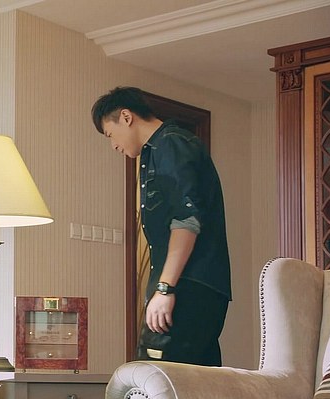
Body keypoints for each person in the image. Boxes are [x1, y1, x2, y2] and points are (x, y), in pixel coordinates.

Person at [91, 86, 232, 366]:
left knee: (155, 376)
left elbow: (187, 220)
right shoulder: (158, 150)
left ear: (126, 117)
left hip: (187, 286)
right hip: (197, 286)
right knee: (197, 379)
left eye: (110, 134)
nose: (114, 145)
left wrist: (165, 289)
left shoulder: (170, 144)